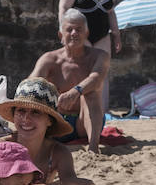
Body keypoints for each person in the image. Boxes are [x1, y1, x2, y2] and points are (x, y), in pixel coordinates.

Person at [30, 9, 110, 152]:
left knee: (89, 92)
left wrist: (75, 92)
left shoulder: (99, 56)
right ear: (61, 35)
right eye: (69, 29)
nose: (74, 33)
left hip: (83, 123)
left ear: (86, 33)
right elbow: (31, 84)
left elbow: (96, 78)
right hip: (56, 123)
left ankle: (93, 147)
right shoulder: (50, 59)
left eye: (79, 29)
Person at [57, 0, 121, 114]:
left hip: (102, 34)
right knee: (81, 70)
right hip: (79, 34)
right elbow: (63, 8)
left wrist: (116, 33)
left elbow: (111, 11)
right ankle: (78, 109)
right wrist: (63, 31)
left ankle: (103, 110)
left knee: (102, 71)